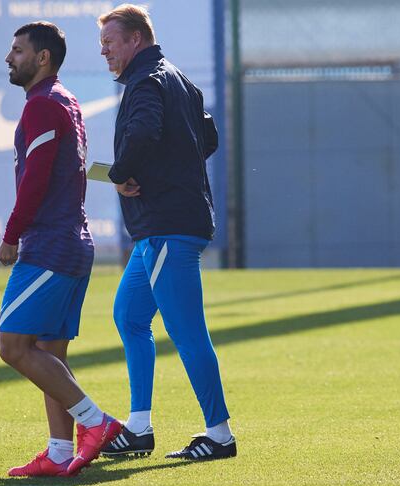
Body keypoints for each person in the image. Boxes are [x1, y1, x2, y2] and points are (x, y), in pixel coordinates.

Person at [96, 5, 237, 461]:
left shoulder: (146, 81)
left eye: (110, 43)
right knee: (130, 317)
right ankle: (139, 428)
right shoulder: (177, 77)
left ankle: (219, 435)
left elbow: (143, 132)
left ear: (136, 39)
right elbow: (207, 138)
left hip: (167, 227)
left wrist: (122, 173)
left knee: (187, 331)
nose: (105, 53)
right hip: (162, 227)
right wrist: (171, 169)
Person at [0, 21, 121, 477]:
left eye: (17, 50)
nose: (9, 58)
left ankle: (97, 422)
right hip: (70, 243)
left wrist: (12, 233)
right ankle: (59, 451)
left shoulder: (45, 105)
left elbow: (37, 178)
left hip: (50, 246)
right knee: (51, 354)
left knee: (12, 346)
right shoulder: (61, 101)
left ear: (42, 57)